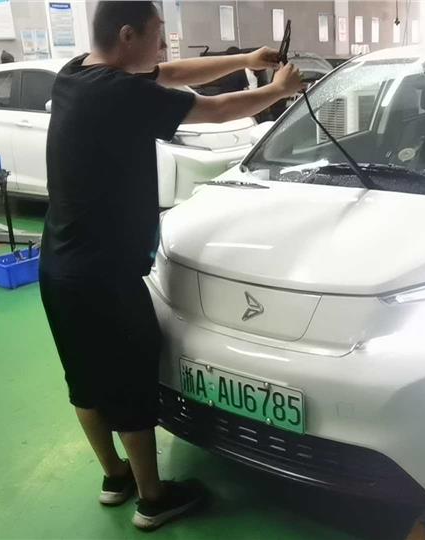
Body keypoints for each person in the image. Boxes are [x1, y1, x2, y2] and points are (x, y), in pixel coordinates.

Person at [38, 1, 304, 532]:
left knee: (84, 381)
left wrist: (246, 59)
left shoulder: (76, 75)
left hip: (59, 266)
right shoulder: (121, 95)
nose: (163, 44)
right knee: (130, 383)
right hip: (106, 275)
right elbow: (216, 110)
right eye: (157, 32)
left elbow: (172, 73)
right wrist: (277, 91)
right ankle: (154, 499)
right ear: (128, 34)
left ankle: (115, 477)